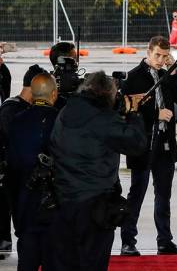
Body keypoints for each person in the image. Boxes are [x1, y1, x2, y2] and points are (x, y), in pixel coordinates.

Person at [48, 71, 147, 271]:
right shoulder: (104, 119)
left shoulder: (65, 112)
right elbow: (136, 144)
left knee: (64, 261)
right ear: (107, 95)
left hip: (62, 200)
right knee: (93, 261)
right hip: (95, 205)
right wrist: (134, 114)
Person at [120, 36, 177, 257]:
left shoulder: (165, 73)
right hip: (143, 143)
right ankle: (128, 241)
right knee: (137, 193)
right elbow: (127, 110)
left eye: (164, 56)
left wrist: (172, 70)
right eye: (158, 55)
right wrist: (154, 115)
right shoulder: (132, 77)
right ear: (148, 52)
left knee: (164, 194)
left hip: (165, 143)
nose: (160, 60)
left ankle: (165, 240)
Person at [5, 73, 58, 270]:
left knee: (27, 261)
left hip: (24, 204)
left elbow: (11, 166)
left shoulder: (16, 121)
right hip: (54, 207)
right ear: (53, 94)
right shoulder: (59, 119)